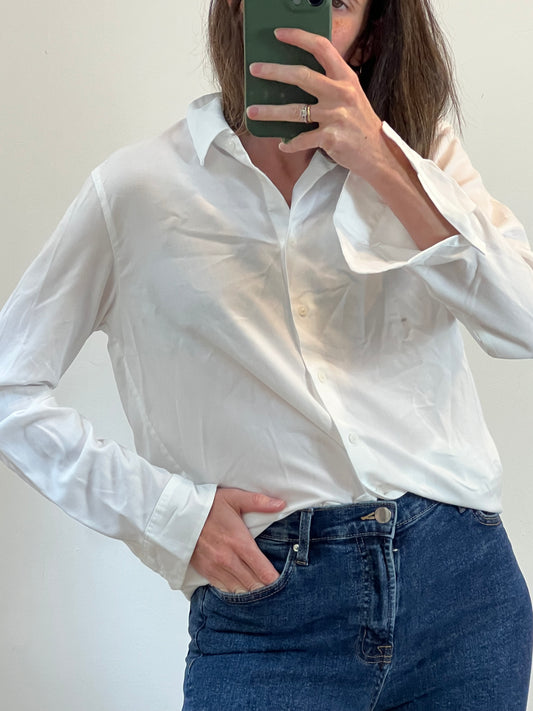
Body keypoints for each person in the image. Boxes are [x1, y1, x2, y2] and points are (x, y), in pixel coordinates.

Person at [0, 0, 532, 708]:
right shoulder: (138, 190)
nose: (302, 21)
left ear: (367, 37)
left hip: (461, 589)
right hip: (269, 607)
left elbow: (521, 321)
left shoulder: (420, 160)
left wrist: (380, 159)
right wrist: (169, 517)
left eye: (335, 4)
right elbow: (9, 384)